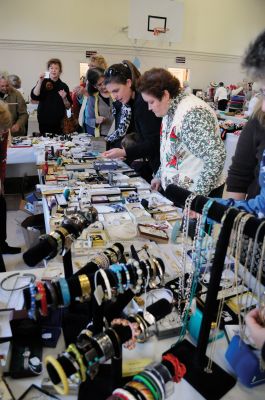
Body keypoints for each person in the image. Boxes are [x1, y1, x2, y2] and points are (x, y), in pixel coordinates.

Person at [137, 68, 226, 196]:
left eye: (151, 102)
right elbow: (170, 149)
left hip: (198, 194)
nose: (149, 108)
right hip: (181, 190)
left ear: (166, 95)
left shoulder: (193, 114)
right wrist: (160, 175)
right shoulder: (170, 108)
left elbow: (216, 157)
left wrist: (196, 200)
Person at [101, 61, 161, 182]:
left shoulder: (143, 104)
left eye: (116, 90)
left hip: (157, 165)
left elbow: (153, 143)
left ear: (128, 82)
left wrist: (124, 152)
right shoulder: (129, 103)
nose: (114, 96)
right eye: (111, 92)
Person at [0, 101, 21, 255]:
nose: (3, 133)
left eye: (4, 130)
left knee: (1, 206)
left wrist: (1, 180)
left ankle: (2, 244)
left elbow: (2, 156)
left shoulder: (4, 129)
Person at [31, 58, 72, 135]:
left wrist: (64, 98)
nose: (53, 70)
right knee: (45, 143)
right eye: (51, 68)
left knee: (59, 144)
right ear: (48, 70)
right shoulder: (42, 83)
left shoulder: (63, 86)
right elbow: (34, 96)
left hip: (59, 122)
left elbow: (68, 107)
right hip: (44, 120)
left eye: (56, 68)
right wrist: (40, 81)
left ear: (60, 71)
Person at [85, 68, 114, 137]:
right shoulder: (93, 98)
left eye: (105, 81)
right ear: (95, 86)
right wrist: (96, 121)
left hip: (117, 135)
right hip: (102, 137)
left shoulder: (115, 92)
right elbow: (88, 120)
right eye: (99, 84)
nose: (104, 86)